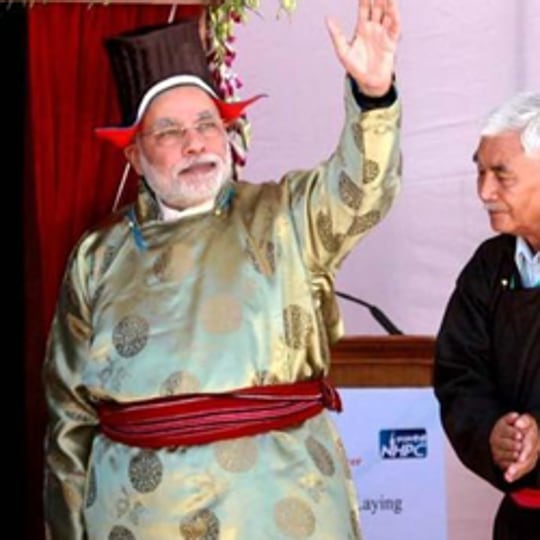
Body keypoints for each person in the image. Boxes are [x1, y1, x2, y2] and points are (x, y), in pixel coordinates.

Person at [43, 1, 402, 537]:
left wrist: (373, 97)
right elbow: (70, 418)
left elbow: (359, 193)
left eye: (207, 123)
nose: (195, 143)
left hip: (282, 506)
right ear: (134, 157)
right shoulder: (98, 255)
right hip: (140, 519)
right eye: (168, 132)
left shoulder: (284, 216)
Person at [434, 92, 540, 539]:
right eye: (480, 170)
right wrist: (490, 431)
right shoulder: (489, 265)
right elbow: (460, 374)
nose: (484, 192)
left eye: (501, 175)